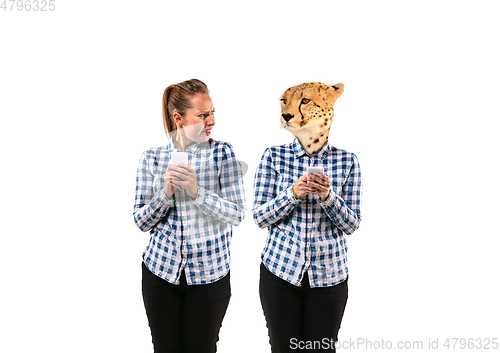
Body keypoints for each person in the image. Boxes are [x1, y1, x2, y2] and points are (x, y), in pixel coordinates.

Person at [133, 79, 246, 353]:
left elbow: (238, 213)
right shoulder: (152, 158)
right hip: (160, 275)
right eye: (203, 115)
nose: (212, 121)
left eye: (212, 112)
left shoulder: (223, 153)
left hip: (209, 278)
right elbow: (141, 220)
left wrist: (198, 193)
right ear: (179, 119)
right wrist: (165, 194)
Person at [253, 115, 362, 351]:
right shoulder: (274, 156)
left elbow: (352, 225)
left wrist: (328, 197)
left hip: (329, 278)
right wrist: (292, 194)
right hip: (280, 274)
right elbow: (259, 217)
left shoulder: (348, 160)